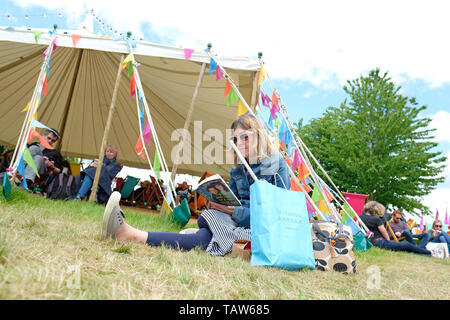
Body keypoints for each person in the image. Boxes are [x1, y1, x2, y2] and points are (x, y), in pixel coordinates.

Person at [100, 113, 290, 256]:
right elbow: (237, 204)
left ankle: (131, 234)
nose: (239, 143)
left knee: (205, 237)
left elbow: (274, 214)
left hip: (264, 234)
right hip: (239, 225)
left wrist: (232, 211)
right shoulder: (237, 170)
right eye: (235, 139)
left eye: (245, 137)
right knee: (210, 217)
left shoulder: (276, 165)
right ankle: (192, 236)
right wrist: (219, 203)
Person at [360, 201, 431, 256]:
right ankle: (428, 253)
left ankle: (419, 252)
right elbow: (384, 232)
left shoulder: (360, 218)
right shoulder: (376, 219)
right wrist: (388, 240)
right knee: (406, 244)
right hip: (380, 242)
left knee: (404, 248)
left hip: (370, 242)